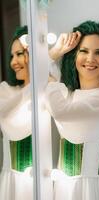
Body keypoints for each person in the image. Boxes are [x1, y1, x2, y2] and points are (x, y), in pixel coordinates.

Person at [45, 20, 99, 200]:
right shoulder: (65, 93)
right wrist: (55, 52)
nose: (90, 59)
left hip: (94, 190)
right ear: (74, 55)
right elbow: (37, 78)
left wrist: (52, 83)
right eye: (83, 51)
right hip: (63, 189)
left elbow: (61, 111)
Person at [0, 26, 33, 200]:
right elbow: (3, 110)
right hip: (11, 181)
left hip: (41, 179)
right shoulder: (5, 91)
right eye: (12, 56)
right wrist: (37, 81)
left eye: (20, 54)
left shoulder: (52, 88)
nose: (13, 62)